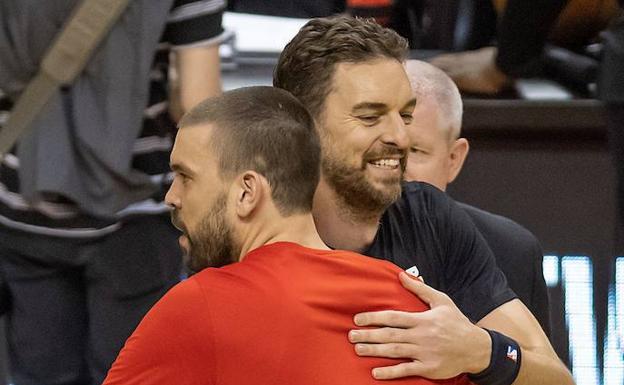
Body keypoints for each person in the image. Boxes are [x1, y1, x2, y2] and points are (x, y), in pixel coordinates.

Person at [273, 16, 573, 385]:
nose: (399, 136)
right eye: (370, 117)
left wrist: (479, 349)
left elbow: (556, 378)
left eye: (406, 115)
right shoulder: (254, 226)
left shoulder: (431, 216)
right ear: (300, 127)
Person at [102, 86, 471, 385]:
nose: (172, 197)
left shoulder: (200, 306)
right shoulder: (404, 297)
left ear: (247, 193)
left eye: (186, 177)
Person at [0, 1, 226, 384]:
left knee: (39, 373)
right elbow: (197, 106)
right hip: (131, 210)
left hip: (22, 204)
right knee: (128, 373)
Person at [402, 59, 551, 336]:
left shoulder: (511, 250)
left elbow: (543, 372)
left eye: (416, 151)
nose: (396, 167)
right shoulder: (324, 237)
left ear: (453, 160)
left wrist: (480, 353)